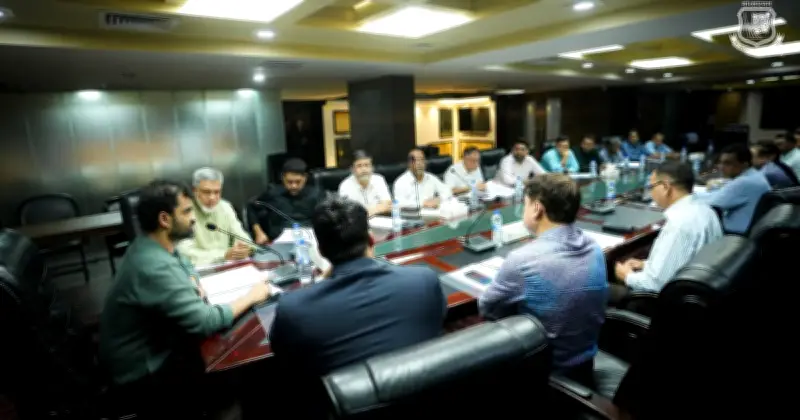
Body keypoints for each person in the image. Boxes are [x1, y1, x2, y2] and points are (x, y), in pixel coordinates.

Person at [100, 180, 271, 417]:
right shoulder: (153, 266)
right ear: (164, 219)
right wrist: (251, 296)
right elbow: (205, 321)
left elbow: (183, 260)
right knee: (241, 369)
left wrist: (192, 278)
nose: (193, 219)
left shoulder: (150, 244)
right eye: (187, 211)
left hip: (160, 345)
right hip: (144, 373)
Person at [269, 195, 445, 378]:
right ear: (371, 239)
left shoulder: (293, 309)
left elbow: (284, 358)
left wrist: (323, 279)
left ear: (320, 251)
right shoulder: (424, 281)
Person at [478, 174, 608, 375]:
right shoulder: (594, 248)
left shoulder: (522, 260)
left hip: (542, 373)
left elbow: (487, 309)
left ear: (537, 209)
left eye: (526, 204)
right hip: (585, 364)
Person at [614, 162, 723, 295]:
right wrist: (646, 265)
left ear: (665, 187)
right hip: (698, 290)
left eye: (652, 187)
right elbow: (682, 260)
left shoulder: (679, 226)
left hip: (668, 300)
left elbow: (655, 285)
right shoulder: (706, 211)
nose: (651, 192)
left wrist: (626, 276)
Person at [176, 167, 253, 266]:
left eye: (217, 192)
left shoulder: (225, 207)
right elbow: (184, 252)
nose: (212, 198)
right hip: (198, 269)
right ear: (195, 190)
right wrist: (223, 255)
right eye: (206, 192)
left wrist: (244, 248)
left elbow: (241, 236)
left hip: (228, 265)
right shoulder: (186, 211)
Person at [695, 143, 771, 234]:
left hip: (734, 234)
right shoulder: (754, 175)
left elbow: (713, 202)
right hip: (747, 230)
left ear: (744, 164)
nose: (721, 167)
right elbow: (723, 193)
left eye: (727, 163)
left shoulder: (744, 182)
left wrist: (689, 195)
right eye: (720, 162)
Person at [250, 158, 322, 243]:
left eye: (298, 182)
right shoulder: (273, 193)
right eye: (289, 182)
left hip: (310, 239)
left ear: (305, 178)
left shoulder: (316, 194)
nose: (294, 186)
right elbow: (251, 208)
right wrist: (259, 232)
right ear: (283, 178)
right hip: (279, 240)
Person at [337, 150, 392, 216]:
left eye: (367, 165)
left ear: (372, 167)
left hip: (380, 219)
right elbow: (349, 214)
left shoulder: (379, 179)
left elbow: (388, 205)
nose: (364, 169)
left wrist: (363, 212)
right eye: (359, 166)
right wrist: (379, 208)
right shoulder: (345, 186)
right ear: (352, 169)